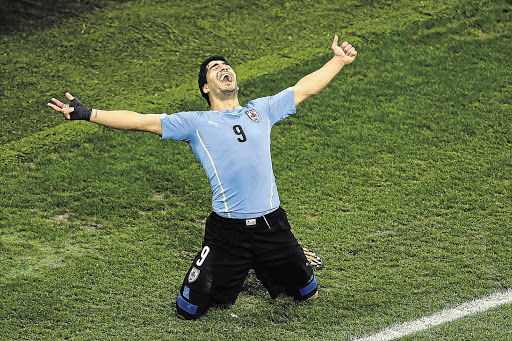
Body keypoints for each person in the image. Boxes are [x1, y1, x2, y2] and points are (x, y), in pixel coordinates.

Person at [48, 35, 357, 320]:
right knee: (188, 310)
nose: (223, 68)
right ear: (206, 88)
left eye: (226, 65)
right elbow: (140, 121)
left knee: (308, 295)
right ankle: (259, 261)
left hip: (271, 224)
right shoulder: (195, 123)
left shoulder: (260, 110)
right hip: (228, 234)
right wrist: (87, 112)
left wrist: (338, 61)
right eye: (214, 68)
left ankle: (279, 253)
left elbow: (305, 88)